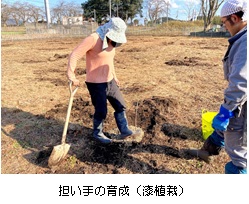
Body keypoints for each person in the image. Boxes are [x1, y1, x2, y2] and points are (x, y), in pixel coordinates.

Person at [67, 17, 140, 144]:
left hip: (109, 81)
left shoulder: (112, 43)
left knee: (120, 104)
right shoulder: (93, 39)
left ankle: (124, 129)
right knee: (101, 110)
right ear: (108, 32)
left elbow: (109, 61)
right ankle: (98, 133)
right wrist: (71, 75)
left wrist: (114, 76)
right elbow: (74, 55)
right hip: (96, 83)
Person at [199, 0, 247, 174]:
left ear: (234, 18)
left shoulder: (246, 42)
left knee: (239, 153)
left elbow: (241, 83)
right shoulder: (242, 38)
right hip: (240, 100)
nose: (224, 26)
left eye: (224, 22)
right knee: (222, 130)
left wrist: (226, 112)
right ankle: (208, 151)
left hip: (243, 103)